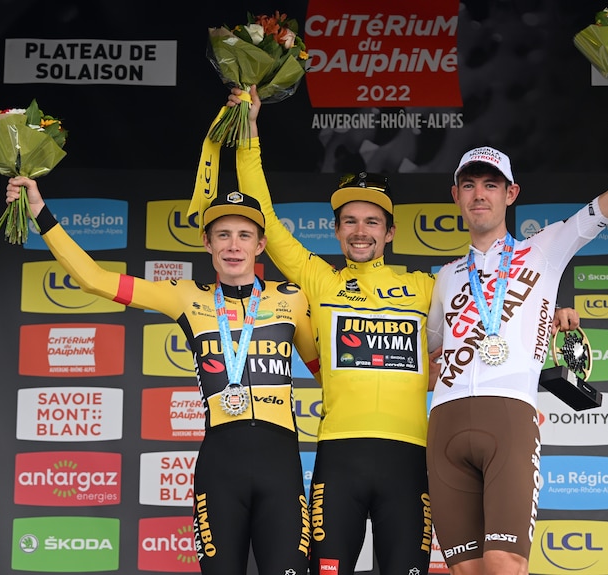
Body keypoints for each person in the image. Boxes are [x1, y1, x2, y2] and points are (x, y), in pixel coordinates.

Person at [225, 86, 580, 575]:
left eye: (372, 222)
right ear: (335, 231)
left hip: (413, 456)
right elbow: (262, 214)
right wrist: (247, 134)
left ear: (390, 232)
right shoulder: (319, 278)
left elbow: (506, 287)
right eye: (349, 221)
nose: (360, 231)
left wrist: (561, 301)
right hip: (338, 454)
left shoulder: (427, 285)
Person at [425, 62, 608, 575]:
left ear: (511, 194)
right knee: (464, 572)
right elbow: (431, 358)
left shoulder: (547, 247)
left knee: (504, 565)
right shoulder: (445, 276)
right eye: (469, 184)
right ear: (456, 196)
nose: (479, 194)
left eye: (491, 184)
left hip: (509, 417)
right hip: (444, 422)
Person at [4, 177, 320, 575]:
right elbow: (94, 280)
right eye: (222, 235)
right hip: (221, 467)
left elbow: (327, 375)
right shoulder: (185, 295)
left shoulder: (292, 298)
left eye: (244, 235)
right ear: (207, 243)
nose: (233, 245)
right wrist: (39, 211)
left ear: (261, 245)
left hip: (281, 466)